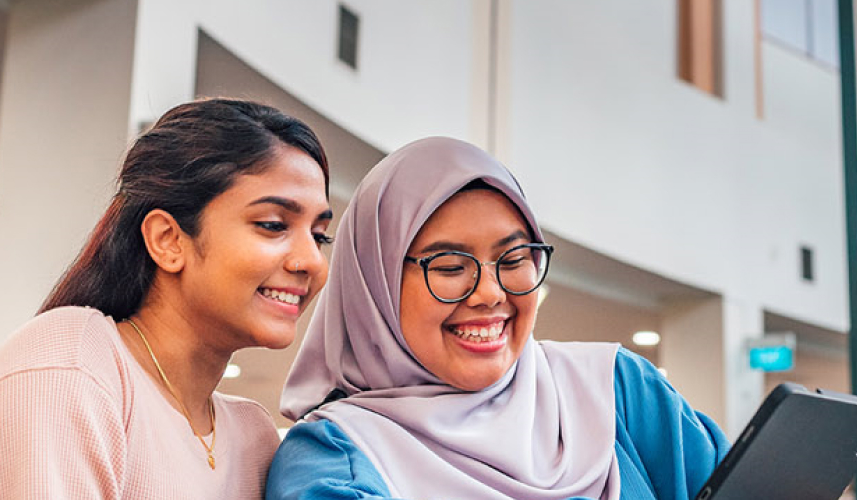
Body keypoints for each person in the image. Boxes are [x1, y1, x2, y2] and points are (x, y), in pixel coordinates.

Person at [266, 137, 729, 500]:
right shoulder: (335, 457)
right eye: (450, 266)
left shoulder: (614, 389)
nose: (490, 293)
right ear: (375, 284)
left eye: (514, 259)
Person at [0, 98, 334, 499]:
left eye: (319, 236)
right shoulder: (71, 370)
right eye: (272, 225)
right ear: (168, 240)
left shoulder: (253, 437)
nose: (311, 261)